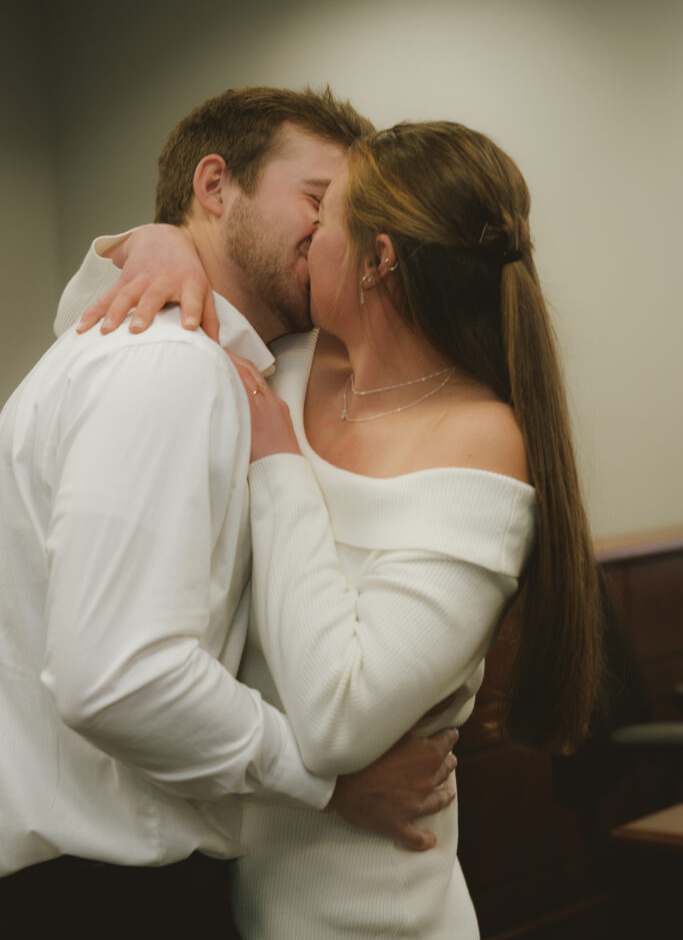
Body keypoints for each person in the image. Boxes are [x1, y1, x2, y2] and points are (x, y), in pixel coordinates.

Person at [66, 119, 604, 938]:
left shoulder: (480, 439)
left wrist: (279, 464)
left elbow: (337, 716)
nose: (307, 236)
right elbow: (104, 342)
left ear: (379, 258)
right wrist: (165, 242)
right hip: (235, 894)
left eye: (328, 217)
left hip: (375, 915)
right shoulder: (288, 355)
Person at [0, 88, 458, 928]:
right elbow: (116, 676)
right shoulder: (163, 366)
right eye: (316, 202)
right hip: (103, 896)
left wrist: (150, 242)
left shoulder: (155, 348)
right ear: (215, 187)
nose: (329, 237)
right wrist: (326, 783)